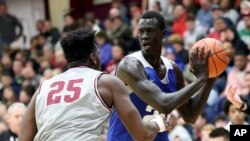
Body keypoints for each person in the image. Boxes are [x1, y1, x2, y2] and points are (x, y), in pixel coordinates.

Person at [18, 28, 171, 141]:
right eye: (98, 53)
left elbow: (24, 138)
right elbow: (142, 135)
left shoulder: (42, 88)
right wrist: (157, 123)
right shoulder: (106, 82)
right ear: (93, 57)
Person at [107, 11, 216, 141]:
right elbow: (163, 104)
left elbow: (190, 116)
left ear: (163, 34)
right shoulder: (129, 65)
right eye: (141, 31)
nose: (144, 36)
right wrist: (201, 79)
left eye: (150, 31)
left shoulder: (173, 69)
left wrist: (210, 79)